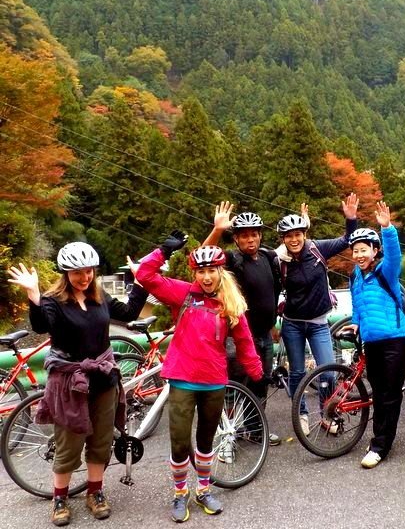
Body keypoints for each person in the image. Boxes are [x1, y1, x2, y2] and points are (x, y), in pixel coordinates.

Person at [7, 242, 148, 526]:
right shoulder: (53, 301)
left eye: (89, 271)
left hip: (103, 379)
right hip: (70, 382)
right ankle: (59, 497)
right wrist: (33, 295)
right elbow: (41, 326)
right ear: (65, 273)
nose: (85, 277)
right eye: (77, 272)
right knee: (68, 443)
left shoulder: (100, 296)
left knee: (101, 441)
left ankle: (95, 492)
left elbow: (131, 312)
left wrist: (140, 280)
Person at [136, 235, 264, 523]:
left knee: (206, 442)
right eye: (201, 271)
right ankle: (180, 493)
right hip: (182, 379)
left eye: (212, 271)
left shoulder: (231, 303)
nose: (207, 277)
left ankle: (203, 490)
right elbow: (145, 274)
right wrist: (164, 249)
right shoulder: (182, 294)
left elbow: (244, 342)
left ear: (221, 271)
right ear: (194, 273)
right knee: (180, 443)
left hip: (214, 380)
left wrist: (257, 372)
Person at [276, 193, 359, 436]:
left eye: (298, 234)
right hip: (292, 323)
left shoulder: (317, 249)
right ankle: (301, 413)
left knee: (328, 370)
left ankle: (326, 413)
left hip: (319, 323)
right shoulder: (278, 260)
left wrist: (351, 219)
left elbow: (346, 240)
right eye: (289, 236)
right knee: (297, 372)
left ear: (304, 234)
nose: (294, 239)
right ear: (283, 239)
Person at [203, 203, 281, 446]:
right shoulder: (231, 260)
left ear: (260, 235)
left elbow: (272, 293)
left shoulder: (269, 258)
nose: (250, 239)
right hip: (237, 338)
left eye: (254, 234)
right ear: (236, 239)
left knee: (260, 384)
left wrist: (272, 325)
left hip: (264, 335)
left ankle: (255, 431)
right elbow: (202, 257)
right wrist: (217, 230)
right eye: (244, 235)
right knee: (232, 388)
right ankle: (227, 435)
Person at [342, 201, 405, 469]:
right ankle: (381, 438)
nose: (359, 254)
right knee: (380, 391)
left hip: (395, 339)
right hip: (371, 342)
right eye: (355, 250)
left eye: (364, 250)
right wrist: (357, 323)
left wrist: (387, 228)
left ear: (374, 251)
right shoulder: (356, 278)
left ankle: (380, 445)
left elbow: (394, 256)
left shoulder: (386, 271)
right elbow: (358, 305)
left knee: (389, 393)